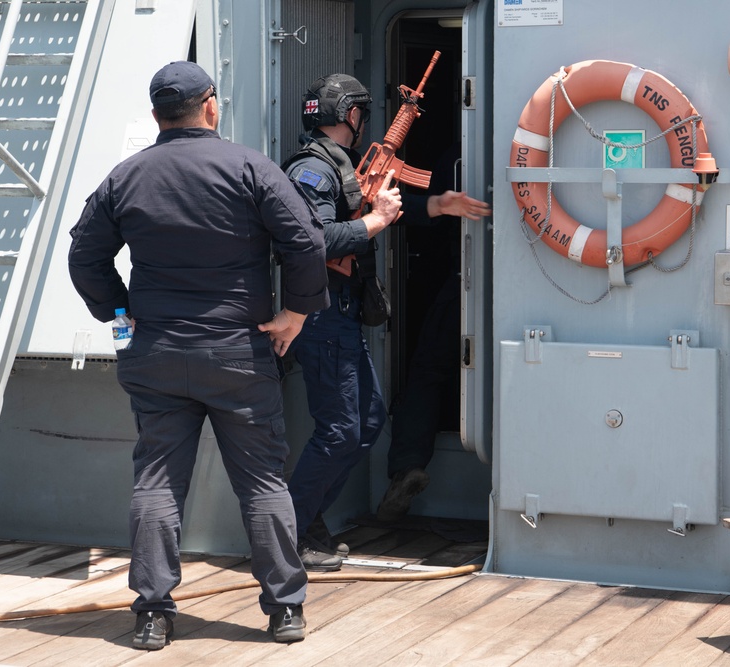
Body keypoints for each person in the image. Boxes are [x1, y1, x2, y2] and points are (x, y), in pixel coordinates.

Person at [68, 61, 328, 650]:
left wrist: (119, 312)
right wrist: (296, 312)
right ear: (210, 105)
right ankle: (285, 609)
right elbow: (306, 242)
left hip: (155, 352)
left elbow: (84, 257)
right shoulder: (248, 168)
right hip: (238, 352)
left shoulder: (126, 177)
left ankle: (153, 615)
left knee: (157, 483)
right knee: (262, 482)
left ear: (159, 113)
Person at [282, 74, 490, 572]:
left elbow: (375, 201)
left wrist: (438, 204)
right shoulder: (311, 171)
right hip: (322, 314)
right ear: (349, 115)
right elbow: (317, 241)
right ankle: (289, 530)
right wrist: (376, 219)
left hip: (345, 315)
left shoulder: (342, 166)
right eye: (358, 112)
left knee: (368, 422)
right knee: (338, 431)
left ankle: (305, 520)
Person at [376, 143, 491, 523]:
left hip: (462, 278)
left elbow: (432, 219)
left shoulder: (459, 155)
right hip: (520, 281)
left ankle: (406, 465)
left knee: (427, 372)